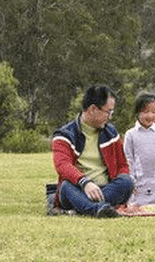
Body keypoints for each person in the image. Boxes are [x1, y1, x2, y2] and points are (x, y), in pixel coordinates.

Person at [51, 85, 134, 217]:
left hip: (106, 190)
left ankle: (90, 208)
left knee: (126, 181)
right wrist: (85, 183)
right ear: (93, 109)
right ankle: (97, 209)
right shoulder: (64, 135)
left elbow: (123, 165)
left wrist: (122, 178)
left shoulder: (111, 133)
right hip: (79, 189)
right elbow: (62, 165)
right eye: (108, 112)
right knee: (66, 187)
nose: (110, 117)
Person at [123, 92, 155, 206]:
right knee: (139, 209)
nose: (150, 115)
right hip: (139, 184)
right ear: (137, 113)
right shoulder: (131, 134)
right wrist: (131, 181)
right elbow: (128, 159)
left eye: (153, 112)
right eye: (146, 112)